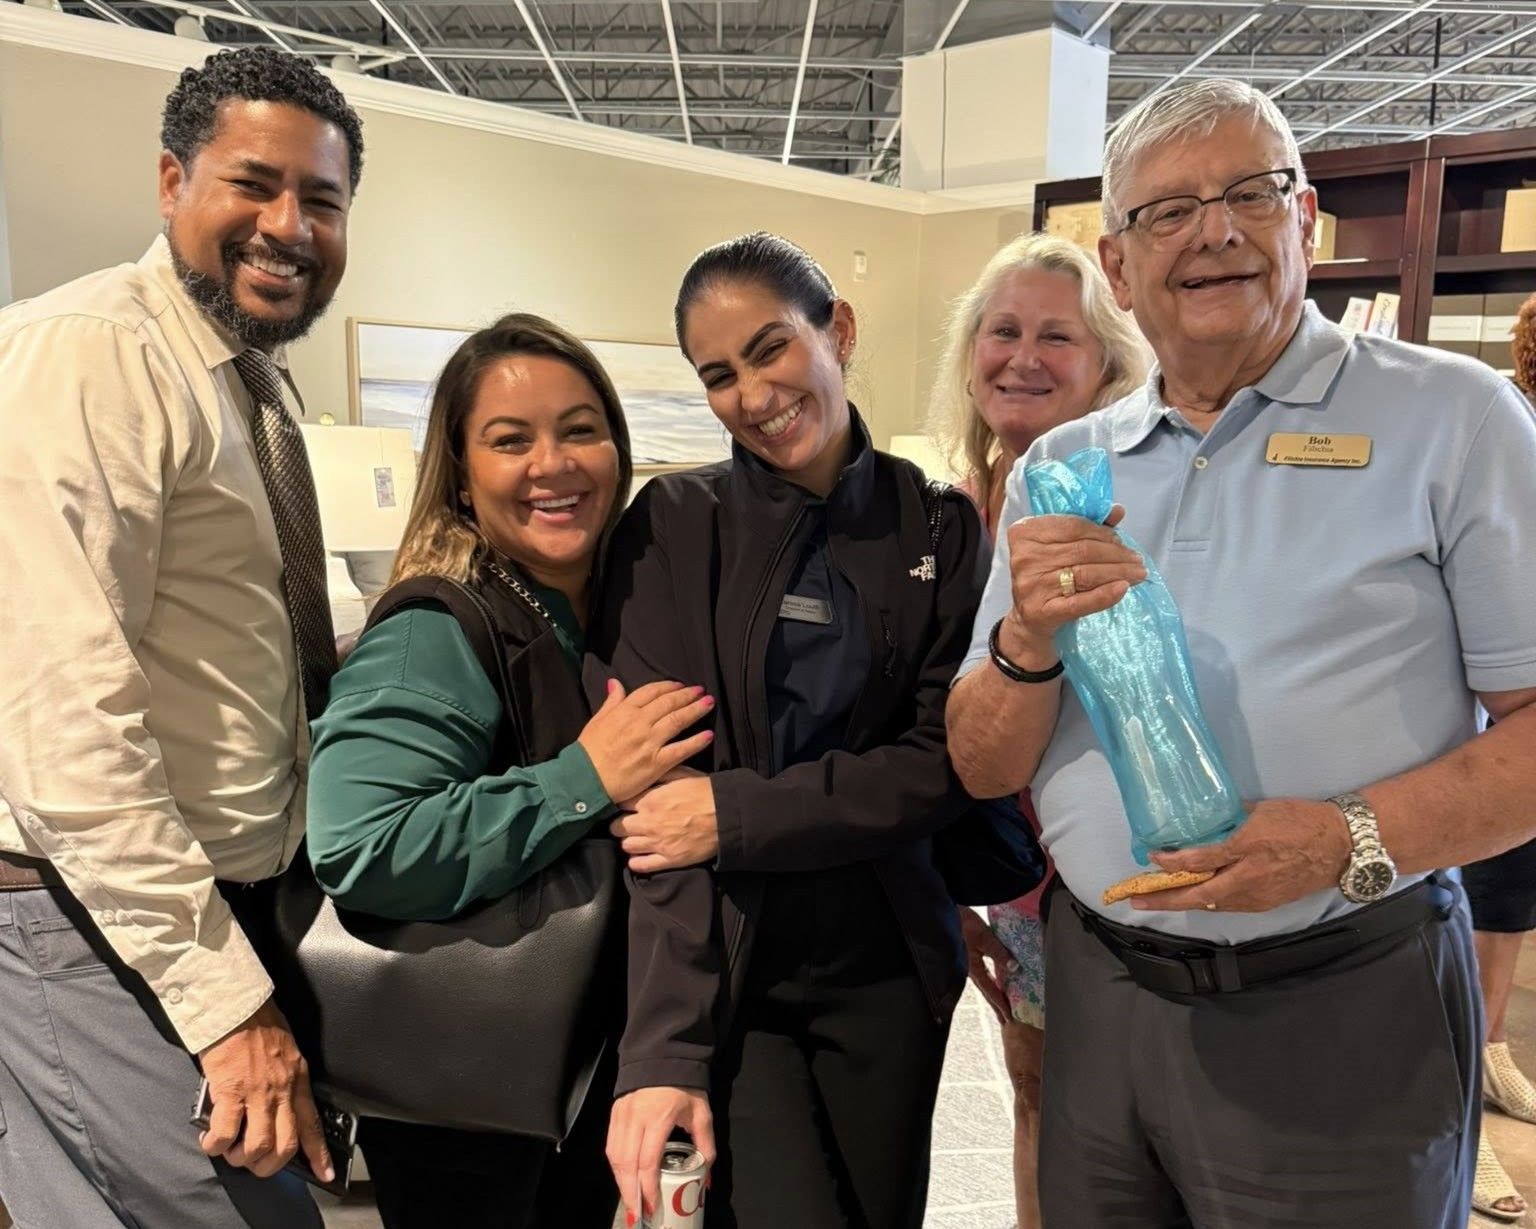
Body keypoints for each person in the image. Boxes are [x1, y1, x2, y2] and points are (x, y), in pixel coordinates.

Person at [946, 77, 1536, 1229]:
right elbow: (977, 759)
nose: (1213, 231)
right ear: (1118, 267)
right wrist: (1024, 640)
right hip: (1104, 992)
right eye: (1167, 211)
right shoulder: (1062, 464)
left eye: (1249, 194)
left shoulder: (1457, 422)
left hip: (1345, 993)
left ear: (1303, 219)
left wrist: (1345, 840)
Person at [589, 232, 1035, 1228]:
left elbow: (943, 768)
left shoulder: (937, 530)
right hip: (736, 976)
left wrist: (737, 813)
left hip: (890, 976)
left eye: (768, 348)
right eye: (717, 373)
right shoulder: (673, 524)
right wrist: (662, 1043)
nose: (751, 392)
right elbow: (661, 811)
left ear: (837, 329)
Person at [0, 47, 364, 1228]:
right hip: (98, 916)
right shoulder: (97, 353)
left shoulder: (246, 382)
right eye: (252, 184)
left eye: (321, 199)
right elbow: (62, 717)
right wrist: (223, 1004)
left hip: (203, 905)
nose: (288, 226)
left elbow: (231, 650)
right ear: (170, 182)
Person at [303, 312, 712, 1227]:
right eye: (509, 440)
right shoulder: (436, 629)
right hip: (467, 1102)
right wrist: (582, 778)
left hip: (564, 1083)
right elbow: (360, 843)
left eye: (579, 429)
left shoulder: (605, 614)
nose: (553, 464)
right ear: (460, 469)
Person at [926, 230, 1148, 1229]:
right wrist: (961, 890)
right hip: (1014, 877)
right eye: (1003, 330)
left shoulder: (1146, 499)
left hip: (1137, 878)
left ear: (1107, 360)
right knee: (1034, 1086)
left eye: (1058, 336)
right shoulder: (951, 520)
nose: (1023, 356)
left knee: (1136, 1114)